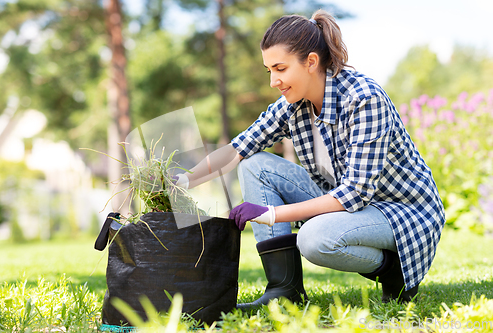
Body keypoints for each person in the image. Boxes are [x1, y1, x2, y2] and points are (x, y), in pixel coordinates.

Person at [175, 9, 445, 307]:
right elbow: (239, 148)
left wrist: (271, 214)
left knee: (314, 239)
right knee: (254, 164)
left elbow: (354, 194)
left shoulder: (363, 99)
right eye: (269, 71)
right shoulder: (292, 105)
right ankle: (284, 289)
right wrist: (184, 180)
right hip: (347, 202)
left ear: (311, 62)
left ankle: (395, 272)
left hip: (401, 211)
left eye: (280, 68)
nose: (273, 81)